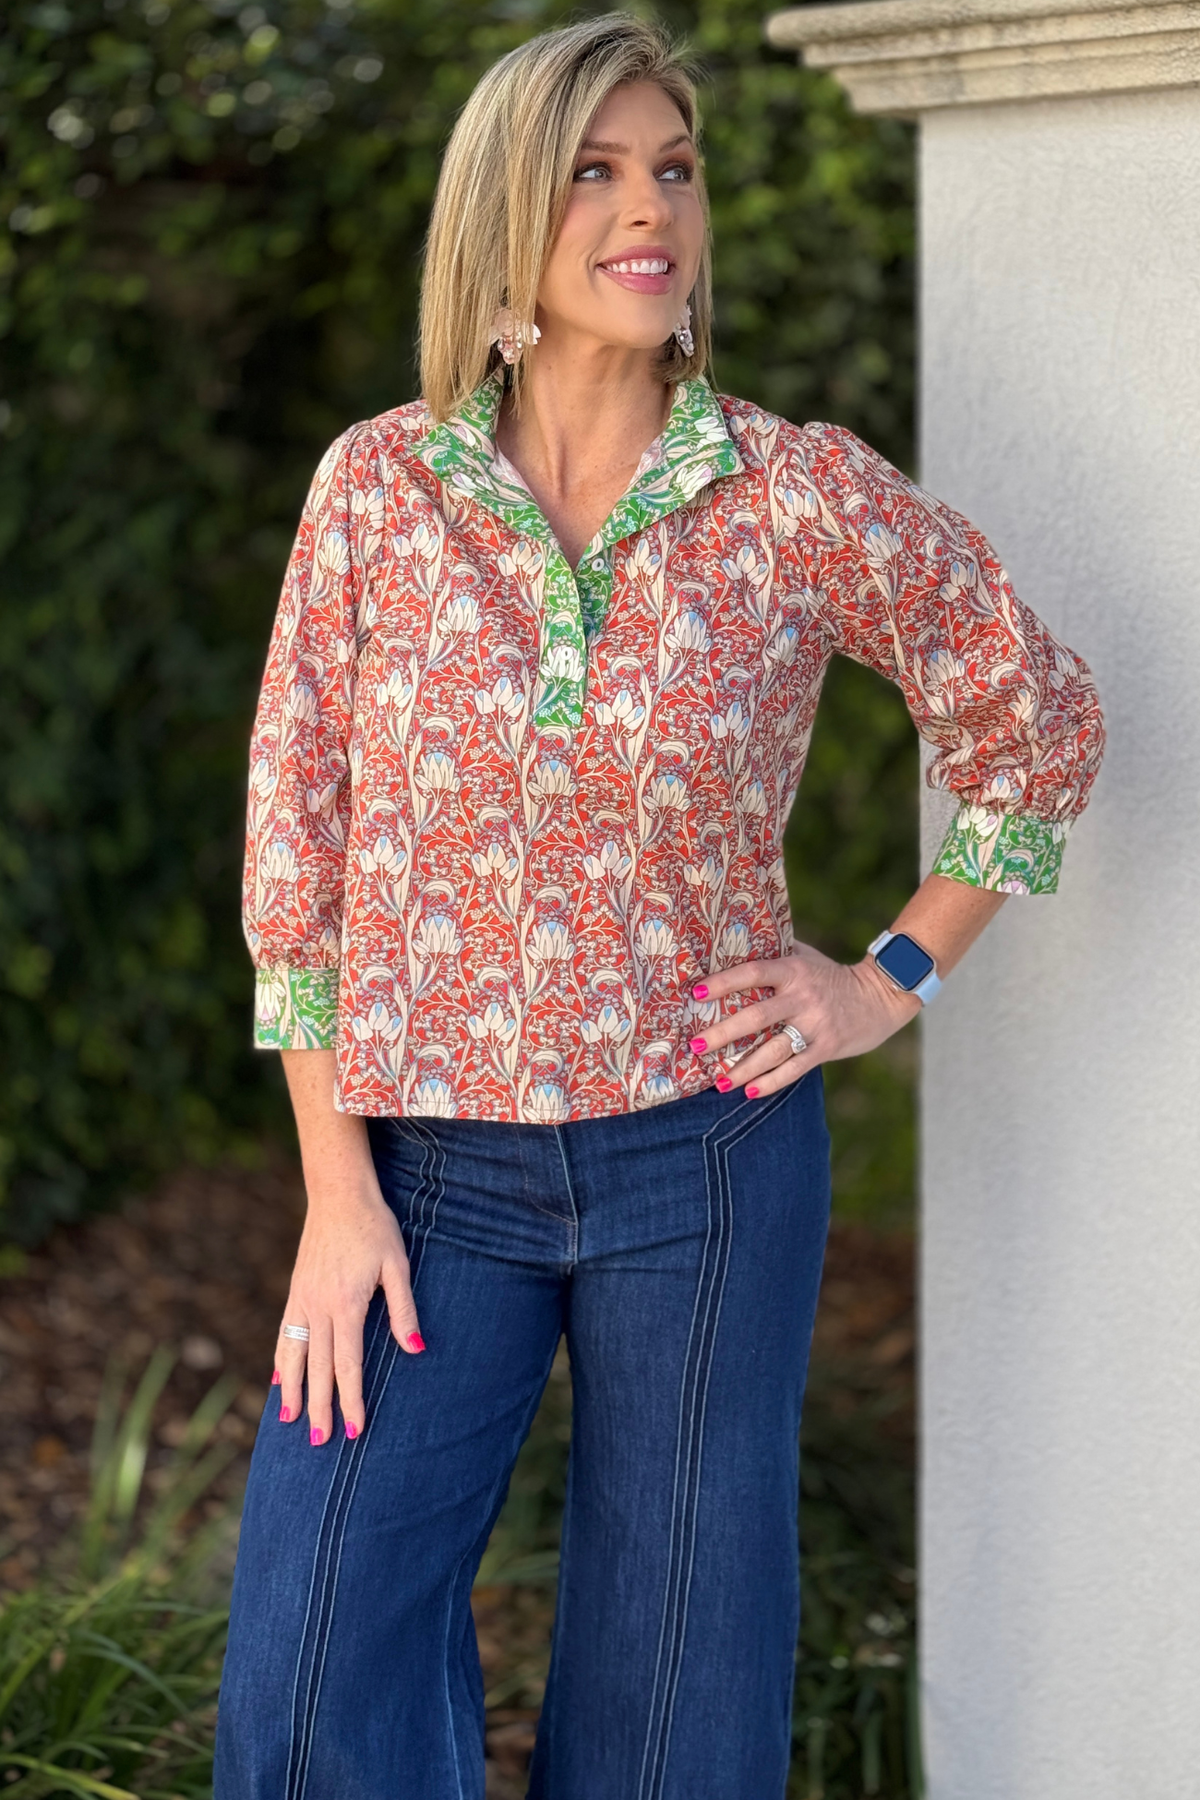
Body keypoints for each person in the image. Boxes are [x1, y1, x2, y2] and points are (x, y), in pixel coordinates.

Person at [215, 14, 1105, 1798]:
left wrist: (886, 979)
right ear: (504, 215)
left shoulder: (792, 494)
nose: (650, 212)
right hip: (422, 1170)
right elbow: (292, 871)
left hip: (705, 1163)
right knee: (314, 1667)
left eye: (674, 171)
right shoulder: (379, 492)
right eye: (596, 171)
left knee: (676, 1708)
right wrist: (332, 1192)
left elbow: (1038, 724)